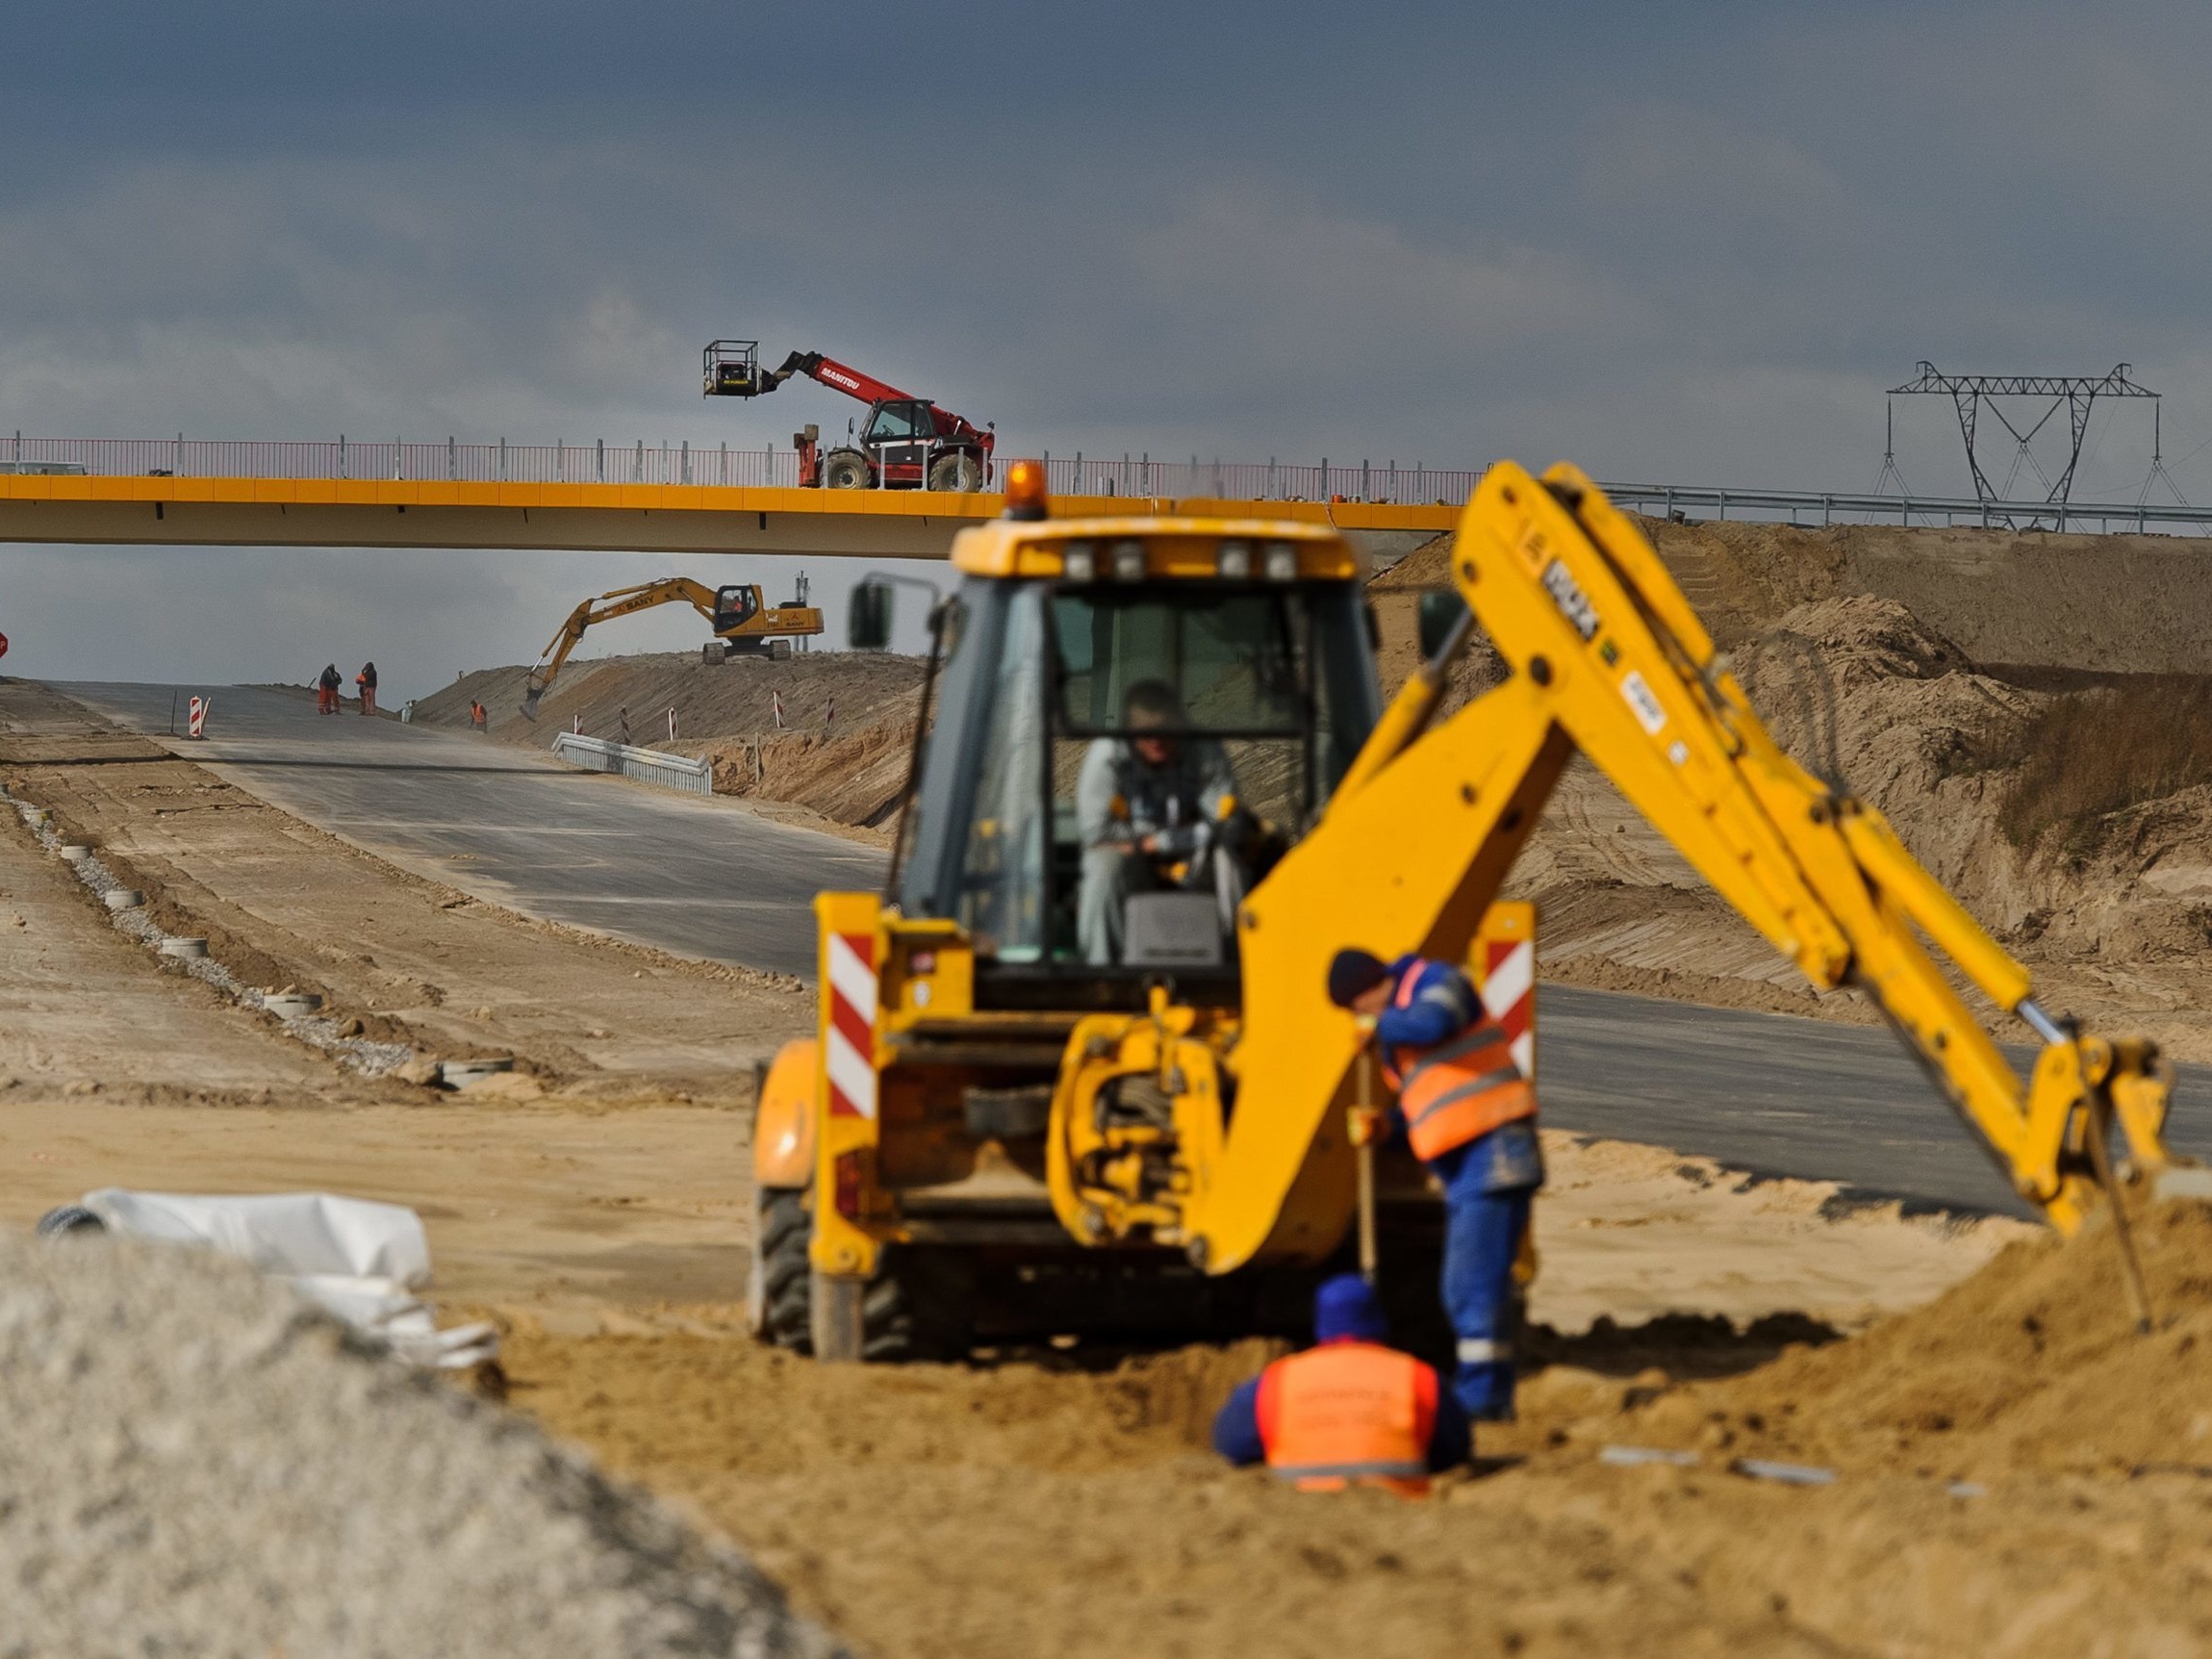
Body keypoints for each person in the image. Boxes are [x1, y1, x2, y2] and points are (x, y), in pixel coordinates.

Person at [1328, 947, 1540, 1422]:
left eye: (1356, 1008)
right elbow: (1427, 1104)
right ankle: (1492, 1395)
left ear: (1365, 991)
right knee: (1473, 1286)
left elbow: (1435, 1023)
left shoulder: (1436, 981)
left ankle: (1481, 1402)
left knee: (1471, 1286)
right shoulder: (1396, 1031)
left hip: (1495, 1153)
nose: (1359, 1018)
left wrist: (1378, 1028)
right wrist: (1386, 1127)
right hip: (1473, 1163)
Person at [1212, 1272, 1469, 1495]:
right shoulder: (1418, 1377)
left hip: (1295, 1513)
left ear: (1320, 1324)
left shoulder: (1276, 1381)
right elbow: (1453, 1449)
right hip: (1397, 1514)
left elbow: (1231, 1444)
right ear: (1379, 1320)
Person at [1074, 679, 1237, 964]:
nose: (1157, 741)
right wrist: (1149, 841)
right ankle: (1103, 970)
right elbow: (1095, 833)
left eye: (1165, 731)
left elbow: (1225, 819)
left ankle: (1236, 959)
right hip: (1135, 860)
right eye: (1146, 733)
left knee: (1230, 855)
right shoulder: (1107, 757)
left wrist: (1162, 841)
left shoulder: (1203, 751)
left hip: (1195, 859)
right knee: (1103, 865)